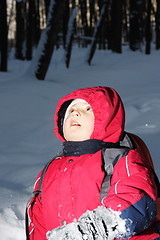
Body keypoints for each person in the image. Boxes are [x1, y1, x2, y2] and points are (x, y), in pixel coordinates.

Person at [26, 86, 160, 240]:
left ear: (107, 119)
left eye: (88, 109)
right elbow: (39, 221)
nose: (76, 113)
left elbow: (135, 201)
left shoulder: (121, 159)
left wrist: (89, 230)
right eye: (71, 110)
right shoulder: (49, 171)